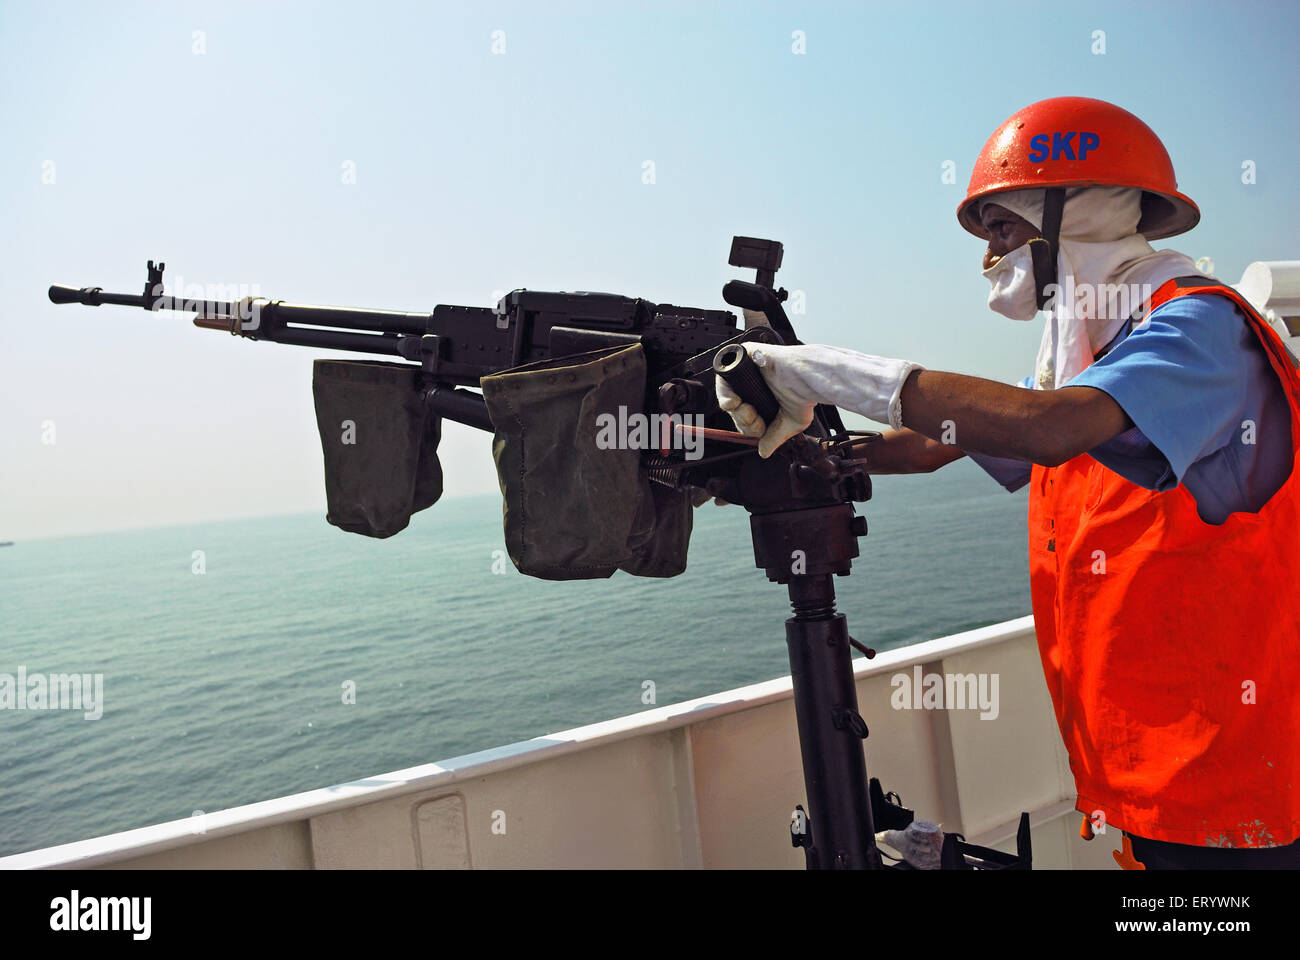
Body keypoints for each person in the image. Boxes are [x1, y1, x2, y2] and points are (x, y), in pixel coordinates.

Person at [717, 97, 1300, 869]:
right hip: (1154, 763)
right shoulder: (1099, 354)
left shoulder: (1197, 329)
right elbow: (943, 443)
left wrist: (822, 373)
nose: (989, 258)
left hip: (1238, 772)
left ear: (1078, 211)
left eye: (1001, 227)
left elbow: (1042, 428)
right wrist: (800, 451)